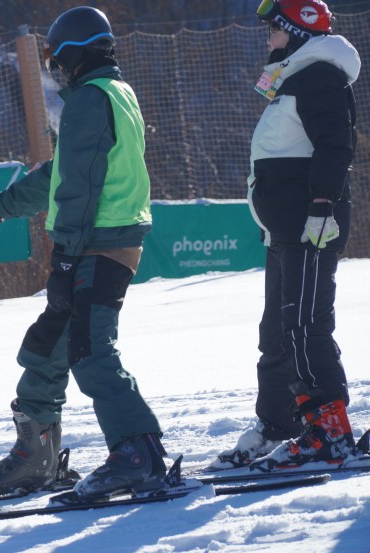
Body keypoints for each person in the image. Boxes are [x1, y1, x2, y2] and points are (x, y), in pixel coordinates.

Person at [0, 6, 167, 501]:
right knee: (49, 346)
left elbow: (80, 186)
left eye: (55, 59)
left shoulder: (91, 99)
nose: (55, 69)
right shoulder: (114, 93)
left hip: (98, 245)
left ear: (71, 53)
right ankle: (36, 455)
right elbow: (59, 173)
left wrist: (66, 257)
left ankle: (138, 452)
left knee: (90, 350)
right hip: (99, 241)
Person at [212, 0, 360, 470]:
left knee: (304, 326)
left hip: (311, 225)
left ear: (297, 31)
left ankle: (329, 430)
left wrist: (322, 205)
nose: (268, 37)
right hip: (285, 229)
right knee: (276, 332)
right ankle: (280, 424)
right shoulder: (292, 79)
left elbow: (336, 144)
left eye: (273, 28)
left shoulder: (319, 76)